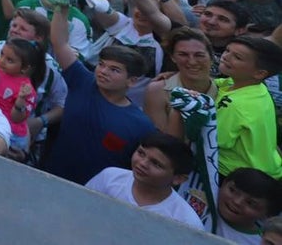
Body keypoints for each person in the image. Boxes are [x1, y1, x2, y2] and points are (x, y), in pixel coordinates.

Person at [42, 1, 155, 184]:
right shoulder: (83, 81)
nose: (103, 71)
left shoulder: (141, 125)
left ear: (132, 81)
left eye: (114, 70)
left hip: (98, 198)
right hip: (51, 179)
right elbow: (60, 43)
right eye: (101, 65)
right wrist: (61, 6)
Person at [84, 131, 205, 230]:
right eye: (141, 153)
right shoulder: (110, 178)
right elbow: (80, 211)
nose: (142, 163)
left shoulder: (186, 222)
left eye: (156, 164)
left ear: (178, 178)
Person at [214, 35, 282, 179]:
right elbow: (219, 83)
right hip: (267, 169)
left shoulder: (235, 104)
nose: (226, 57)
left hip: (238, 175)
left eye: (237, 57)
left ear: (259, 73)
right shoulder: (256, 88)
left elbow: (218, 140)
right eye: (227, 50)